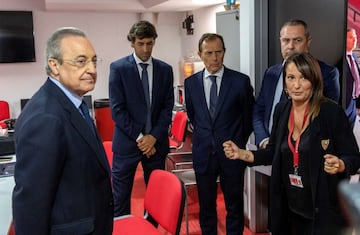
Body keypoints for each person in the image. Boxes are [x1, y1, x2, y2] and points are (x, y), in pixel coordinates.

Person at [224, 52, 360, 235]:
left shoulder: (331, 112)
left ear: (314, 81)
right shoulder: (282, 110)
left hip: (321, 211)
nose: (296, 85)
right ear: (284, 82)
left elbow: (353, 157)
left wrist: (341, 164)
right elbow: (273, 151)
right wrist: (242, 154)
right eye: (290, 78)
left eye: (303, 78)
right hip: (288, 209)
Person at [12, 27, 113, 234]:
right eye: (81, 61)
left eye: (94, 61)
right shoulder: (46, 118)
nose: (92, 69)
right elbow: (31, 205)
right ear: (54, 66)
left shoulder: (73, 102)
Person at [184, 33, 254, 235]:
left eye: (219, 52)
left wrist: (237, 143)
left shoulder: (240, 82)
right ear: (200, 55)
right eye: (209, 53)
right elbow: (194, 115)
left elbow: (248, 117)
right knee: (206, 207)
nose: (215, 58)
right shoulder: (191, 84)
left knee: (234, 206)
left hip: (232, 154)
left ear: (224, 52)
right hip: (203, 154)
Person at [109, 20, 174, 218]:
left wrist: (153, 137)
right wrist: (141, 138)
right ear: (132, 42)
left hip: (156, 144)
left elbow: (167, 107)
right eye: (141, 43)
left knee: (156, 198)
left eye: (150, 43)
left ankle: (150, 230)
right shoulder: (118, 68)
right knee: (120, 199)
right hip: (128, 143)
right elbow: (117, 110)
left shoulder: (165, 69)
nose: (146, 49)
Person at [253, 19, 340, 149]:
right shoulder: (271, 73)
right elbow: (259, 110)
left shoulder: (326, 73)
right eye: (286, 40)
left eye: (297, 40)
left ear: (308, 42)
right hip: (268, 149)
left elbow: (327, 118)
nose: (290, 46)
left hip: (304, 152)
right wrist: (264, 140)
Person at [345, 28, 360, 129]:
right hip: (344, 103)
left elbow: (357, 81)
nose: (355, 40)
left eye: (355, 38)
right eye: (351, 37)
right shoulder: (340, 58)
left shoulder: (354, 56)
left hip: (353, 103)